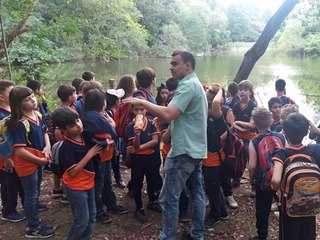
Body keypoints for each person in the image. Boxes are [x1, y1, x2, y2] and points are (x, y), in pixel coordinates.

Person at [124, 50, 207, 240]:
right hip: (195, 149)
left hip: (183, 152)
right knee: (196, 193)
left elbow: (169, 113)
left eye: (175, 63)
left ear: (188, 65)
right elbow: (182, 117)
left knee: (169, 198)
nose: (171, 67)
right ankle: (197, 233)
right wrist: (167, 133)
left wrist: (141, 101)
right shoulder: (193, 84)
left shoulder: (187, 86)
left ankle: (168, 236)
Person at [8, 87, 54, 238]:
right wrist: (40, 160)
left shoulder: (37, 114)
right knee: (31, 194)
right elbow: (19, 151)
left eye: (33, 96)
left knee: (35, 191)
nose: (33, 100)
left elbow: (45, 132)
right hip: (28, 164)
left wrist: (47, 147)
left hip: (39, 160)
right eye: (27, 99)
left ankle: (35, 220)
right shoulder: (20, 123)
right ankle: (33, 228)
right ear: (19, 104)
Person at [51, 106, 101, 240]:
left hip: (88, 182)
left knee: (92, 216)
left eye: (78, 120)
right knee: (81, 221)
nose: (78, 125)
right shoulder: (66, 148)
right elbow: (72, 172)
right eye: (72, 125)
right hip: (75, 187)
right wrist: (89, 155)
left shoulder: (86, 137)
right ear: (63, 131)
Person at [82, 89, 128, 224]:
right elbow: (113, 133)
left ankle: (111, 204)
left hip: (105, 155)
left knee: (106, 182)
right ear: (102, 103)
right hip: (98, 157)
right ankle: (98, 211)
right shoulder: (94, 117)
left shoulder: (90, 116)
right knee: (99, 184)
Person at [271, 113, 319, 240]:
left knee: (289, 234)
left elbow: (275, 180)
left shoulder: (281, 154)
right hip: (311, 202)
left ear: (284, 132)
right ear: (305, 133)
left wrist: (278, 190)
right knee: (308, 232)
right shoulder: (315, 150)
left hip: (289, 204)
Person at [248, 107, 285, 240]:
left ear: (254, 123)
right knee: (283, 208)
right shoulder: (281, 136)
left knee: (262, 211)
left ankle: (262, 236)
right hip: (280, 179)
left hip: (263, 183)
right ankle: (284, 235)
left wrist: (251, 180)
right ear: (271, 121)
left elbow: (252, 165)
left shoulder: (254, 141)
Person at [127, 101, 162, 222]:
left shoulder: (151, 123)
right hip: (137, 159)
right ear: (132, 111)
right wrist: (137, 135)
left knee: (151, 179)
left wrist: (139, 148)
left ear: (146, 110)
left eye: (142, 109)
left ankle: (152, 201)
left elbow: (155, 141)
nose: (139, 112)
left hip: (150, 157)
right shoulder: (130, 126)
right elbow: (134, 144)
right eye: (136, 110)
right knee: (137, 182)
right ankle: (139, 207)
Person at [203, 85, 229, 228]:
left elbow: (216, 103)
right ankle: (223, 211)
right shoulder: (207, 114)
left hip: (214, 158)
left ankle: (215, 214)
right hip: (208, 157)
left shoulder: (218, 115)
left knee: (212, 187)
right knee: (214, 187)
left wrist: (220, 90)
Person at [0, 80, 25, 223]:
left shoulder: (13, 110)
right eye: (11, 92)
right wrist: (7, 157)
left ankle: (26, 203)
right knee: (9, 183)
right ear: (1, 97)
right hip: (6, 158)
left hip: (18, 156)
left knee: (20, 180)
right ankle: (8, 210)